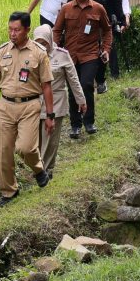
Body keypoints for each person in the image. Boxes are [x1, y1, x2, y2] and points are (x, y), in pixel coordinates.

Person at [0, 12, 55, 206]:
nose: (12, 34)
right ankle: (9, 191)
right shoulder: (2, 51)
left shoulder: (39, 52)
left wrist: (50, 115)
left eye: (17, 30)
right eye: (10, 29)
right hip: (5, 105)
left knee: (25, 147)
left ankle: (38, 169)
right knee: (3, 152)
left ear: (27, 30)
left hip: (30, 105)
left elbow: (46, 85)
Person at [52, 0, 112, 138]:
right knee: (73, 88)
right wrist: (56, 48)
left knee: (86, 85)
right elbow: (56, 30)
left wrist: (106, 49)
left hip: (90, 54)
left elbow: (107, 30)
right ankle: (75, 125)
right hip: (69, 55)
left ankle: (89, 122)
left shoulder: (98, 8)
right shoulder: (66, 8)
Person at [32, 24, 86, 177]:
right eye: (38, 42)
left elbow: (73, 79)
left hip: (56, 102)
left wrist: (81, 100)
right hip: (36, 102)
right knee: (35, 139)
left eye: (44, 42)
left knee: (51, 139)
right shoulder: (31, 55)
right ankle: (38, 166)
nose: (41, 46)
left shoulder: (62, 55)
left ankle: (46, 170)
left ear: (50, 40)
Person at [84, 0, 123, 93]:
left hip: (104, 24)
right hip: (85, 24)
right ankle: (88, 79)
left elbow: (117, 1)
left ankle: (101, 79)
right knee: (87, 51)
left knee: (104, 51)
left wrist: (121, 20)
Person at [102, 0, 132, 77]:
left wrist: (126, 18)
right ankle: (108, 72)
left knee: (113, 45)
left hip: (115, 19)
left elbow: (124, 4)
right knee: (107, 45)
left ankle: (115, 73)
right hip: (103, 19)